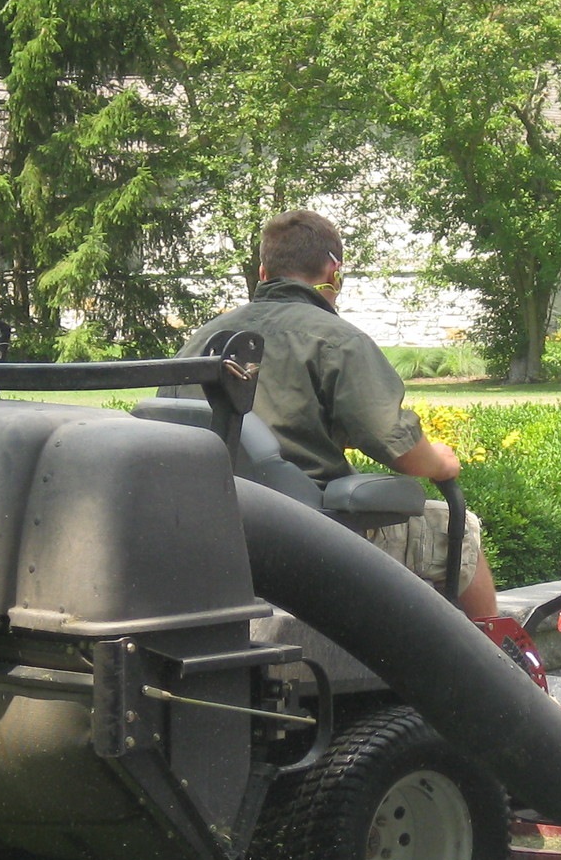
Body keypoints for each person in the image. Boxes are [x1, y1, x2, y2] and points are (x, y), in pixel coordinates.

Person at [188, 209, 498, 618]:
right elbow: (399, 449)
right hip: (306, 534)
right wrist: (439, 461)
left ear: (264, 271)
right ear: (334, 271)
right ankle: (499, 668)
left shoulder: (206, 339)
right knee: (460, 532)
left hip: (205, 524)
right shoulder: (337, 340)